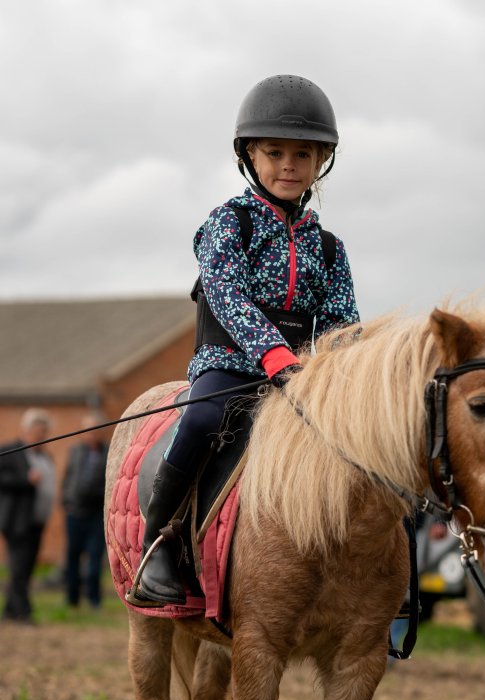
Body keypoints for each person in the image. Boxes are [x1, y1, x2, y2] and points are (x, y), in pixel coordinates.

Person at [129, 74, 359, 607]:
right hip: (230, 363)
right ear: (249, 156)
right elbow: (227, 297)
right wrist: (272, 353)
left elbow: (341, 321)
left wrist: (341, 370)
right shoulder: (228, 224)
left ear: (320, 161)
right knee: (205, 420)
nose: (287, 165)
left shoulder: (328, 247)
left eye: (302, 155)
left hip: (302, 378)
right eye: (274, 152)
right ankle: (157, 542)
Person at [0, 409, 56, 623]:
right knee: (20, 567)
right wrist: (25, 479)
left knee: (27, 566)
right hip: (16, 521)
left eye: (44, 432)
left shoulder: (44, 455)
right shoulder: (10, 451)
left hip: (36, 521)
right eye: (38, 432)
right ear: (26, 430)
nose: (41, 437)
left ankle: (10, 610)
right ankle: (23, 611)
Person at [61, 413, 109, 608]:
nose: (91, 434)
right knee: (72, 557)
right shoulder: (76, 451)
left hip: (97, 514)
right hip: (75, 513)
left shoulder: (108, 452)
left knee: (95, 558)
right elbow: (68, 478)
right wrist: (66, 502)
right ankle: (72, 599)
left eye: (95, 430)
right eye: (88, 430)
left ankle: (94, 599)